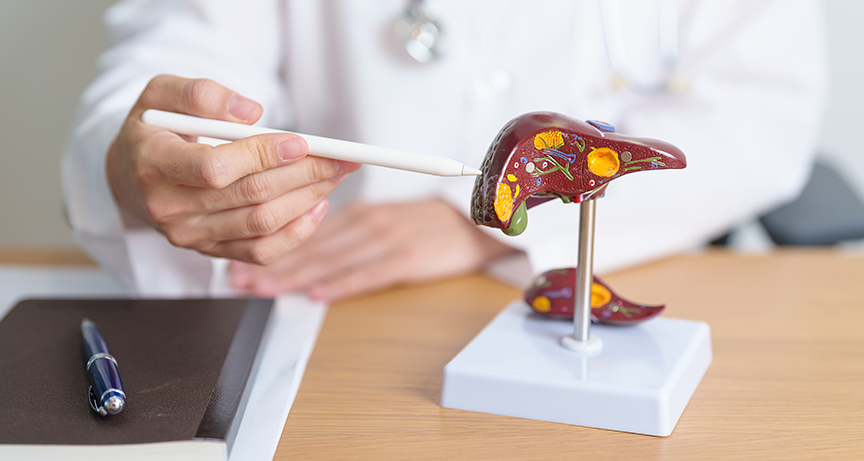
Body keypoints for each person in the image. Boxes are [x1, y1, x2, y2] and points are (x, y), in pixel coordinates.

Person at [63, 0, 828, 299]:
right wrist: (146, 163)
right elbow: (178, 51)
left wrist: (478, 219)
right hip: (336, 303)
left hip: (632, 270)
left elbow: (764, 111)